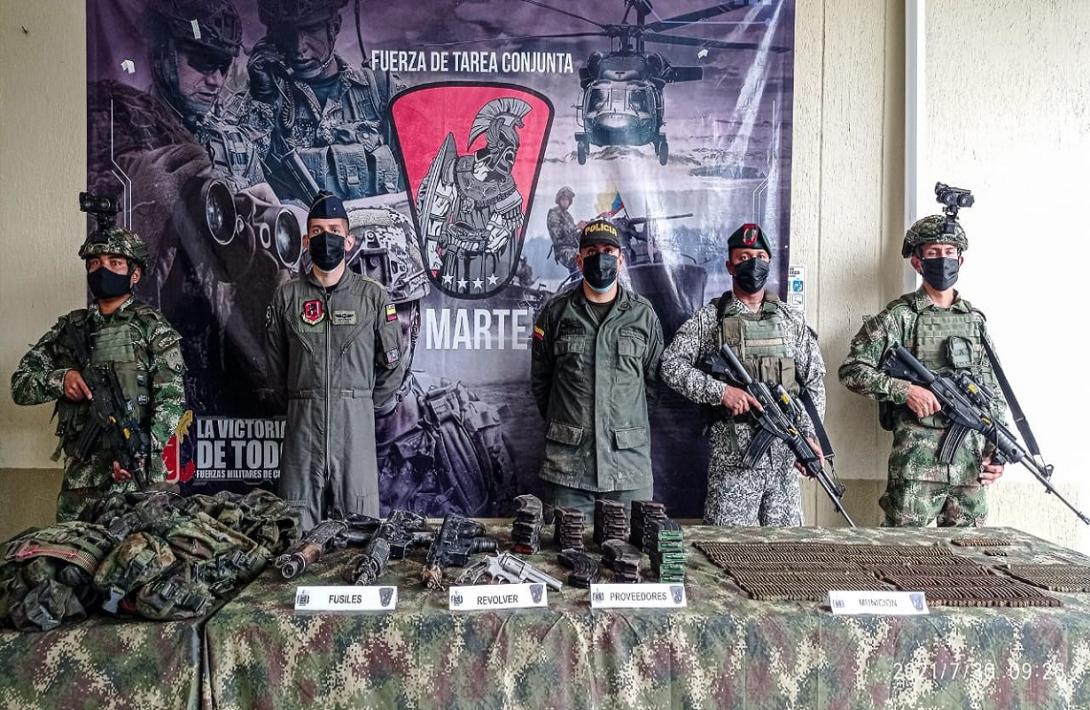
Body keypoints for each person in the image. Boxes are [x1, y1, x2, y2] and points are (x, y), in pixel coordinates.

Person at [11, 225, 187, 521]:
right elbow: (20, 386)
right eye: (94, 263)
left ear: (134, 274)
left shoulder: (153, 329)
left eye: (115, 262)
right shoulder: (70, 330)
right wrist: (61, 380)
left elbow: (171, 401)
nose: (102, 269)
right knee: (71, 551)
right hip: (81, 486)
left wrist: (140, 452)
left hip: (139, 481)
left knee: (139, 549)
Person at [839, 215, 1005, 527]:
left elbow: (993, 393)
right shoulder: (900, 318)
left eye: (949, 252)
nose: (943, 259)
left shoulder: (975, 322)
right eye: (933, 253)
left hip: (970, 470)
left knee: (969, 556)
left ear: (961, 260)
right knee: (903, 554)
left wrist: (997, 453)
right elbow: (852, 370)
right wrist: (905, 391)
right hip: (916, 469)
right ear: (917, 263)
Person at [660, 223, 826, 526]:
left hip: (784, 463)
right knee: (726, 548)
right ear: (729, 266)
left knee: (787, 550)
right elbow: (670, 366)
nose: (753, 263)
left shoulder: (791, 320)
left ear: (769, 262)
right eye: (744, 257)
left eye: (760, 256)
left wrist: (810, 436)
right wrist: (721, 392)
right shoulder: (711, 318)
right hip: (733, 464)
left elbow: (813, 381)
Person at [265, 191, 404, 529]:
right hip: (303, 431)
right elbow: (275, 366)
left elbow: (391, 366)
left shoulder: (372, 297)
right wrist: (303, 397)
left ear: (348, 240)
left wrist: (358, 404)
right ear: (305, 240)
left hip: (354, 430)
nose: (325, 238)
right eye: (316, 231)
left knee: (359, 529)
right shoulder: (287, 297)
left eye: (333, 230)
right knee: (295, 530)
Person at [530, 219, 664, 516]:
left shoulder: (643, 315)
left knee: (630, 546)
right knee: (564, 546)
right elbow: (542, 383)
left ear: (620, 259)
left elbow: (652, 386)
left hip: (628, 471)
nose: (600, 258)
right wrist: (570, 423)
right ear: (579, 260)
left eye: (608, 251)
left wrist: (624, 424)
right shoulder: (555, 313)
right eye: (591, 252)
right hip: (568, 473)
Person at [246, 0, 404, 202]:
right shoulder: (264, 98)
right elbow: (242, 180)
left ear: (334, 27)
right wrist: (263, 99)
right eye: (287, 33)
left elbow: (425, 166)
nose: (299, 47)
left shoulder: (382, 89)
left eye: (311, 30)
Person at [546, 186, 586, 272]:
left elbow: (574, 236)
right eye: (563, 199)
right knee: (580, 260)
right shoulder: (554, 213)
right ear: (559, 200)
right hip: (563, 249)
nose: (565, 202)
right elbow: (558, 234)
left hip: (574, 248)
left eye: (567, 199)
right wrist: (576, 227)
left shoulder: (568, 216)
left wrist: (585, 230)